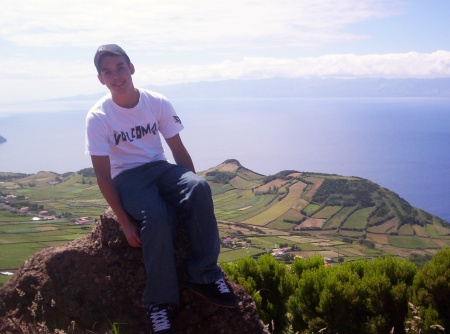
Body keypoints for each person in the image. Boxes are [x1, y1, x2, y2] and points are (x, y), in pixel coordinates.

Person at [85, 44, 236, 334]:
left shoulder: (157, 102)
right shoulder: (99, 117)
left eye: (119, 67)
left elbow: (177, 149)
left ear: (132, 67)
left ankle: (204, 275)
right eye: (107, 72)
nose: (116, 76)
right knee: (155, 219)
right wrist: (125, 222)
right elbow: (103, 176)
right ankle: (158, 303)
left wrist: (191, 195)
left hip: (160, 168)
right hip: (127, 178)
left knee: (200, 186)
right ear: (100, 79)